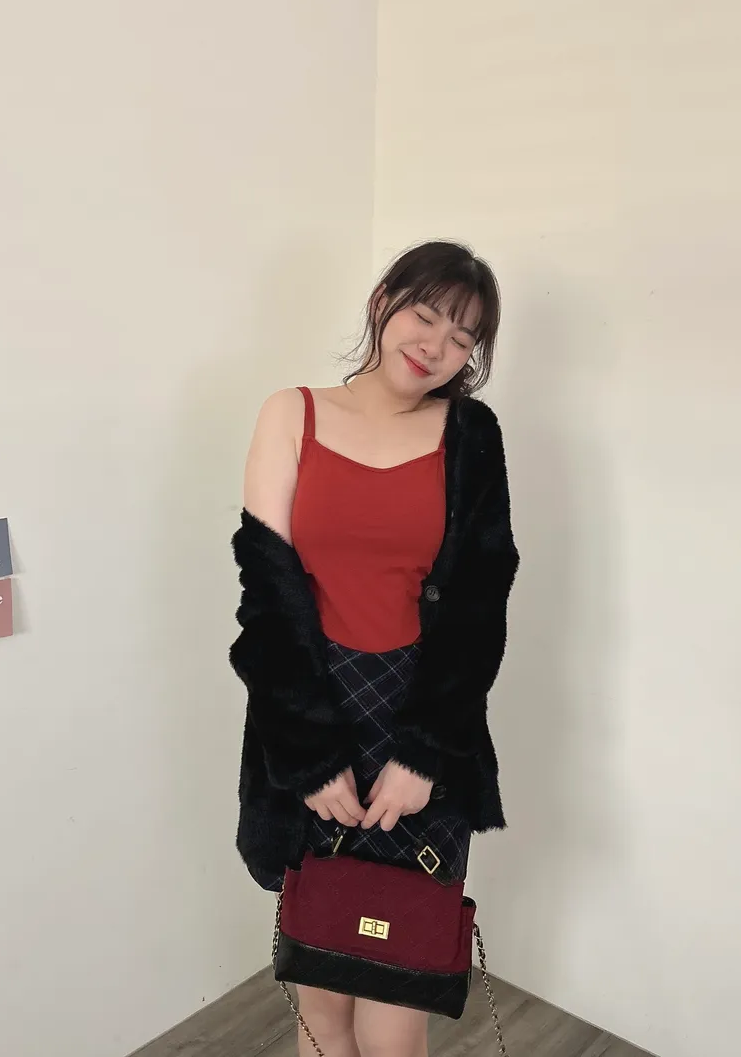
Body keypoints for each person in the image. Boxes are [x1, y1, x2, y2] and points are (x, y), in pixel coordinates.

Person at [230, 240, 519, 1057]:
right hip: (312, 718)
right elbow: (267, 599)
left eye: (462, 336)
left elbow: (479, 607)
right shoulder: (292, 413)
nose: (436, 345)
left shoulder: (471, 433)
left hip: (421, 726)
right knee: (321, 999)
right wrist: (307, 755)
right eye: (425, 315)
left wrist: (425, 752)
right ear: (384, 300)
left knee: (394, 1017)